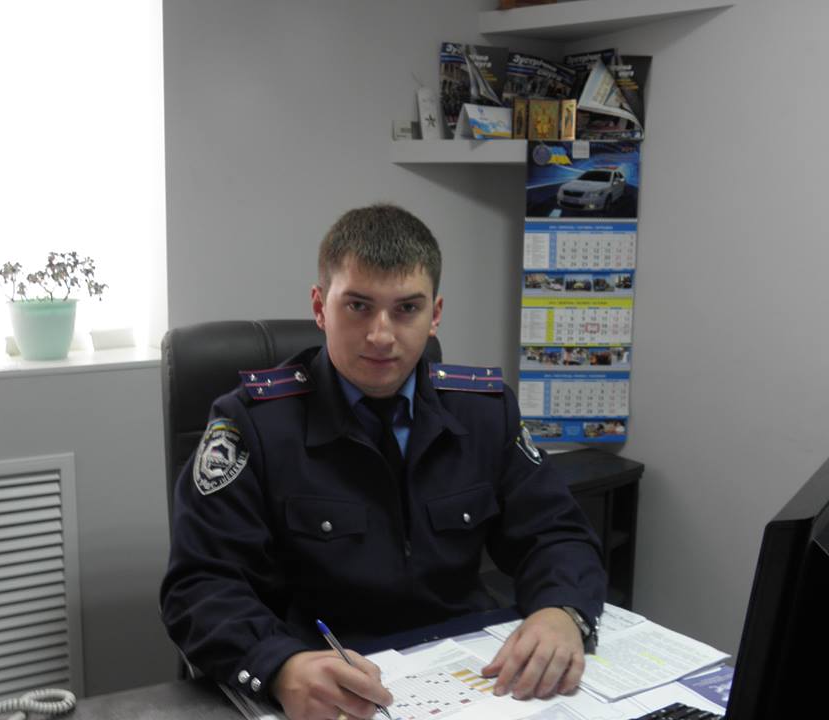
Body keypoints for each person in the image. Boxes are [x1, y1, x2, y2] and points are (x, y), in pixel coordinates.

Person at [160, 204, 606, 720]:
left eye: (406, 308)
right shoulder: (252, 424)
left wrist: (562, 611)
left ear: (435, 314)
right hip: (323, 681)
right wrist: (278, 664)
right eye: (358, 306)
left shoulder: (484, 412)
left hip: (466, 677)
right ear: (320, 307)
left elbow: (555, 533)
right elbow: (201, 585)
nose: (380, 335)